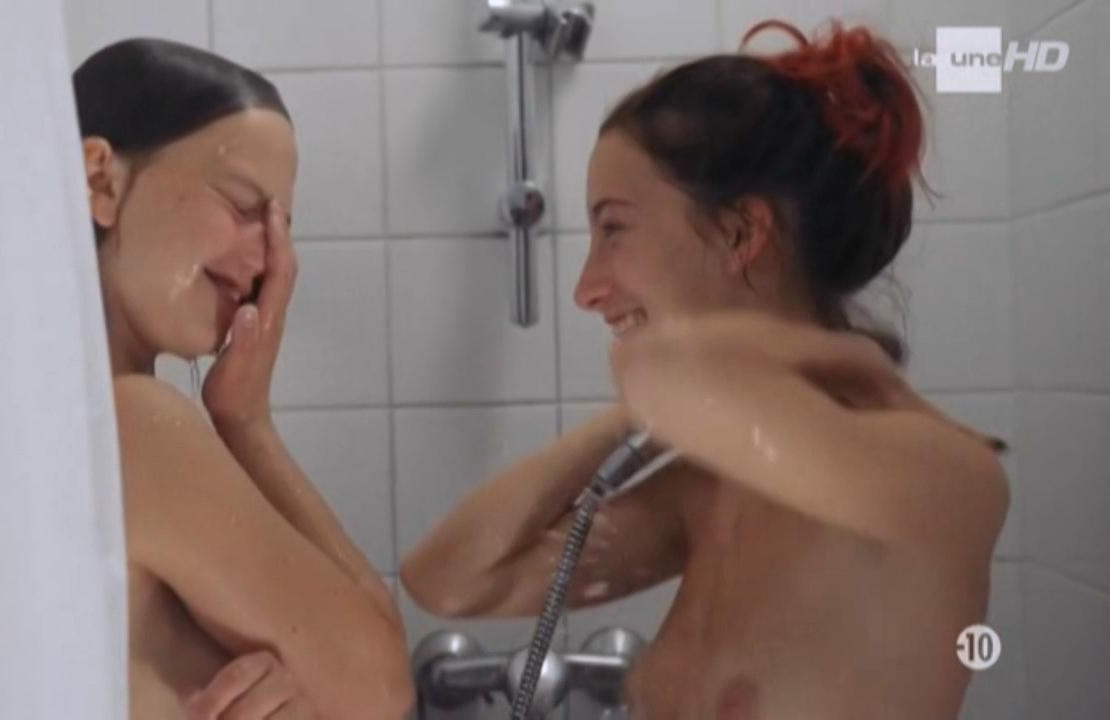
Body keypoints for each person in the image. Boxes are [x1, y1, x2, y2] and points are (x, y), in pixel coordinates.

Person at [401, 20, 1009, 720]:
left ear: (741, 233)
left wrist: (739, 374)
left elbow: (667, 382)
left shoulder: (934, 477)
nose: (586, 288)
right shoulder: (717, 488)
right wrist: (632, 422)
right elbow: (446, 579)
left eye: (614, 228)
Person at [74, 38, 413, 719]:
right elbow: (380, 689)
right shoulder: (134, 422)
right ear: (100, 181)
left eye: (283, 225)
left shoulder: (65, 413)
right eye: (241, 205)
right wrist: (248, 425)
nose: (269, 260)